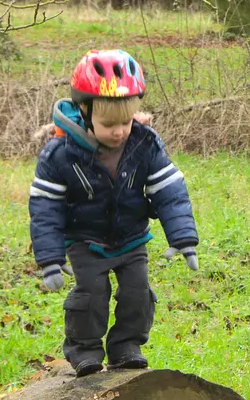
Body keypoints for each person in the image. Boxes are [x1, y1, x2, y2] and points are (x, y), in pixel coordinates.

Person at [28, 49, 200, 376]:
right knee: (91, 295)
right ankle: (84, 350)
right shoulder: (60, 154)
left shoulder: (144, 143)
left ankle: (126, 346)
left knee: (138, 294)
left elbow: (169, 190)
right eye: (108, 124)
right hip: (84, 240)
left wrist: (183, 237)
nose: (119, 131)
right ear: (84, 111)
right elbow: (45, 208)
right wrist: (49, 258)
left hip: (131, 238)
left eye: (125, 121)